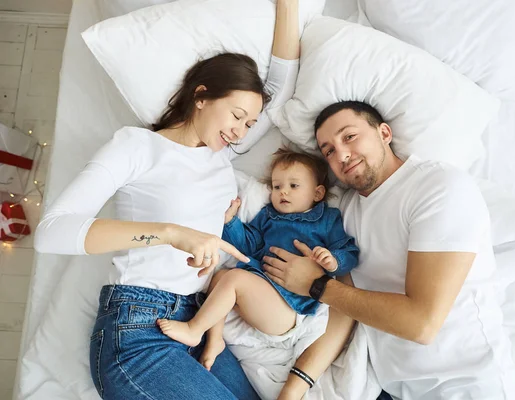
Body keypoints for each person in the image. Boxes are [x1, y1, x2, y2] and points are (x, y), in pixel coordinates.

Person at [34, 1, 350, 398]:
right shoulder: (137, 146)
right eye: (236, 116)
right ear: (201, 96)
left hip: (198, 320)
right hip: (137, 329)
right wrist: (170, 234)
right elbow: (52, 232)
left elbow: (281, 84)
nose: (241, 131)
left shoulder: (221, 154)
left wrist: (288, 5)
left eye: (250, 123)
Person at [261, 101, 515, 399]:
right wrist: (295, 386)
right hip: (389, 391)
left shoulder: (437, 187)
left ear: (384, 132)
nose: (342, 155)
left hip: (465, 386)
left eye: (349, 137)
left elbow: (421, 324)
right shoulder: (344, 211)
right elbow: (344, 307)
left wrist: (316, 285)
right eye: (329, 150)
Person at [157, 147, 359, 366]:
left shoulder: (327, 220)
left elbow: (348, 252)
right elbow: (248, 245)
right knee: (221, 276)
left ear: (317, 193)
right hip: (261, 291)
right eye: (277, 186)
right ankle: (215, 339)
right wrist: (230, 222)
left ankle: (194, 329)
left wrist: (333, 260)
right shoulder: (268, 216)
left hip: (289, 309)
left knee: (234, 279)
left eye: (294, 186)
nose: (283, 192)